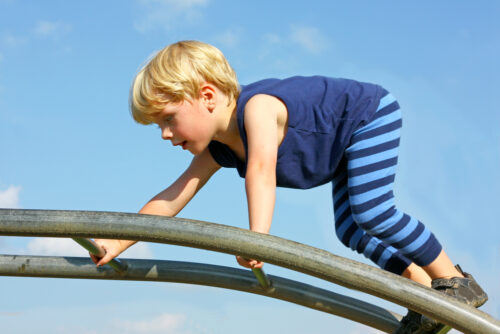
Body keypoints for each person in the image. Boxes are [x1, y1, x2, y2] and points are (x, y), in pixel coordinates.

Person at [89, 40, 487, 332]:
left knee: (371, 211)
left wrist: (256, 240)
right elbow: (172, 197)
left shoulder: (258, 108)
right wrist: (115, 242)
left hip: (367, 117)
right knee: (350, 230)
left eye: (169, 119)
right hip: (339, 147)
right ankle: (426, 296)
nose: (164, 133)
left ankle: (456, 282)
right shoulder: (217, 150)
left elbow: (262, 168)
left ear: (206, 96)